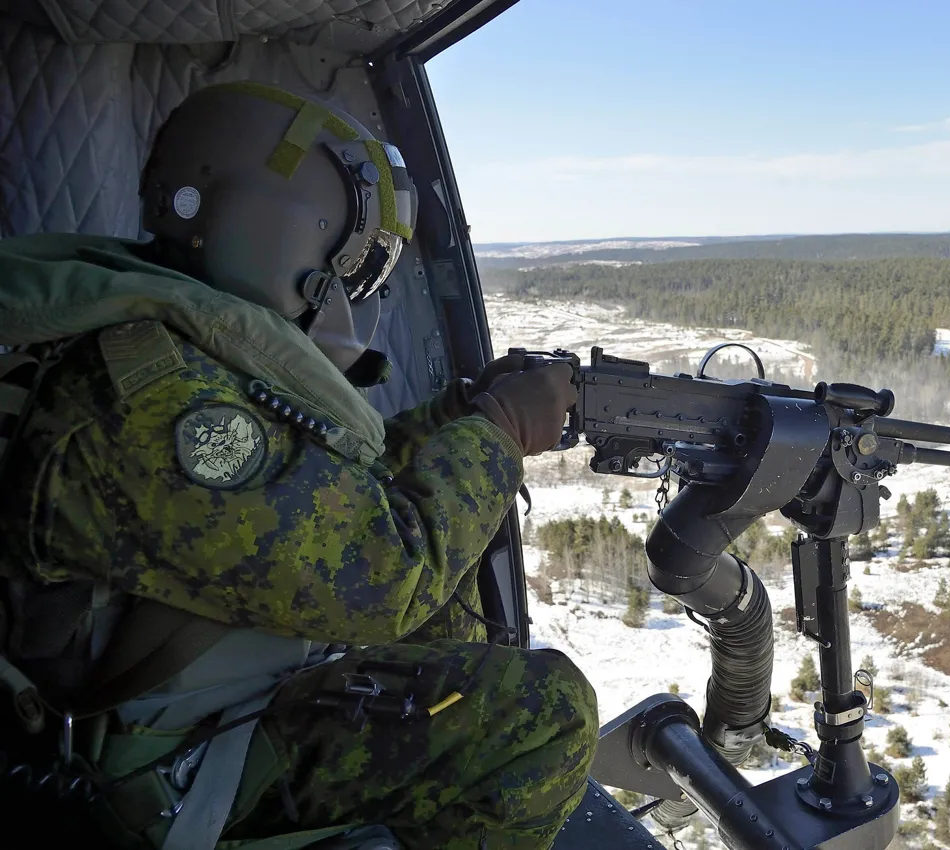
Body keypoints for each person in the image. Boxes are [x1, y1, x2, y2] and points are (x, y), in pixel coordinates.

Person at [0, 81, 596, 850]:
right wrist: (503, 428)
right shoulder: (150, 398)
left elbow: (319, 500)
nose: (353, 283)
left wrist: (456, 415)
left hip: (196, 703)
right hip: (153, 770)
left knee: (446, 630)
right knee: (544, 715)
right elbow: (385, 576)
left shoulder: (164, 336)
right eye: (349, 252)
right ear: (274, 227)